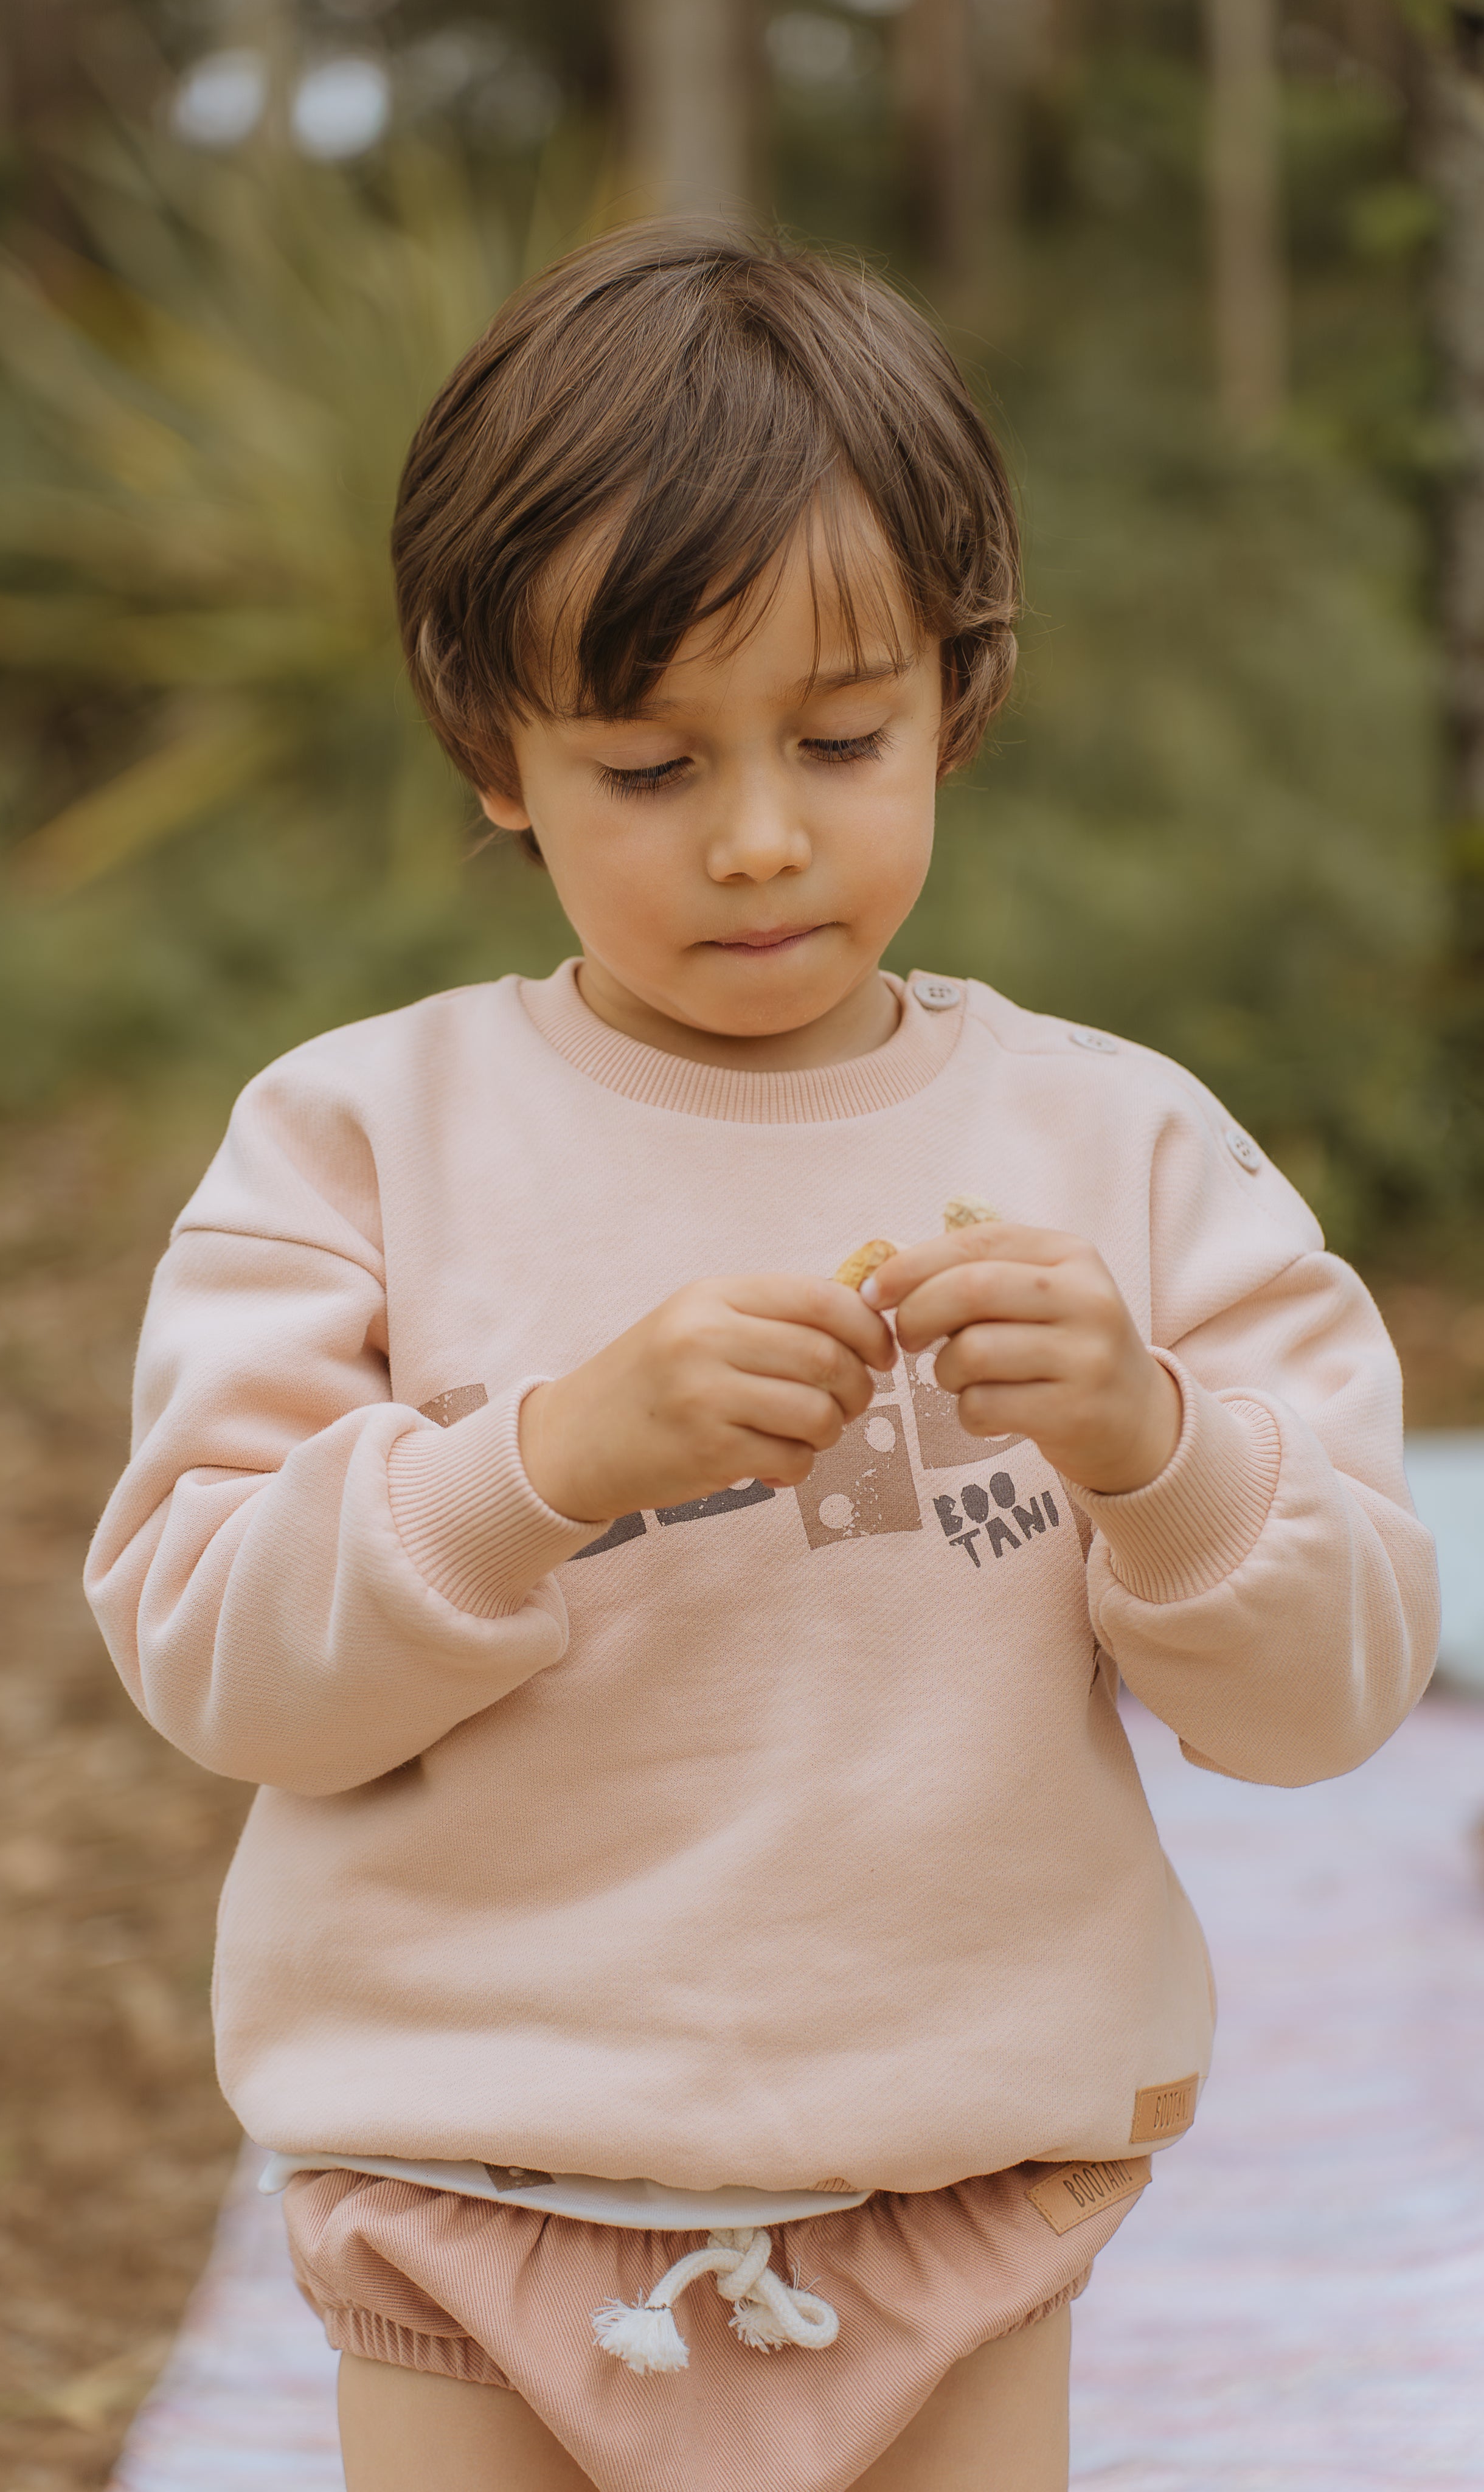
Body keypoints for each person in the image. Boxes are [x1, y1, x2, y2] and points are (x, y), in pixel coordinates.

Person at [85, 224, 1438, 2492]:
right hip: (470, 2177)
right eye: (644, 764)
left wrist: (1151, 1439)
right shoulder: (361, 1142)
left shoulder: (1116, 1151)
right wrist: (538, 1464)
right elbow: (216, 1657)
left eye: (841, 738)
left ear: (958, 697)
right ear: (490, 748)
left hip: (958, 2188)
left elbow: (1334, 1694)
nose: (758, 839)